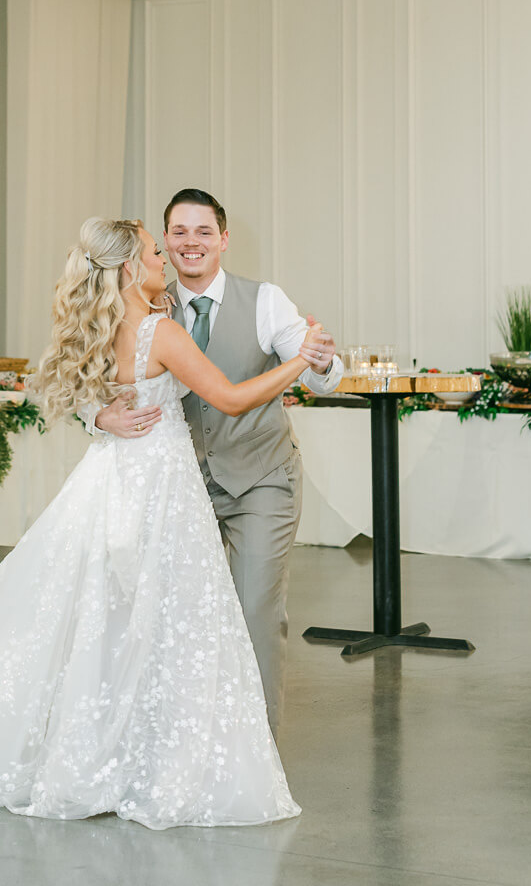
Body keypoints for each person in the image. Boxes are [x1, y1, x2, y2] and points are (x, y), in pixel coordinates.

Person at [0, 217, 317, 829]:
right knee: (164, 623)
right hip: (161, 492)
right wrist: (299, 360)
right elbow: (228, 399)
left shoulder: (97, 328)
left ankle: (98, 758)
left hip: (109, 482)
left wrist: (100, 419)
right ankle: (150, 763)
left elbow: (79, 397)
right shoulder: (159, 332)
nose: (164, 260)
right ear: (129, 268)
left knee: (104, 621)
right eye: (155, 251)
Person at [92, 190, 343, 734]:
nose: (190, 243)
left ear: (223, 239)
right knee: (176, 616)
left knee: (254, 611)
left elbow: (320, 364)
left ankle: (257, 749)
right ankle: (186, 740)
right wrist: (97, 416)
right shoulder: (145, 302)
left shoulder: (265, 299)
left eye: (203, 232)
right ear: (162, 244)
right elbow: (88, 377)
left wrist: (319, 359)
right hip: (179, 485)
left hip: (260, 479)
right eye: (177, 233)